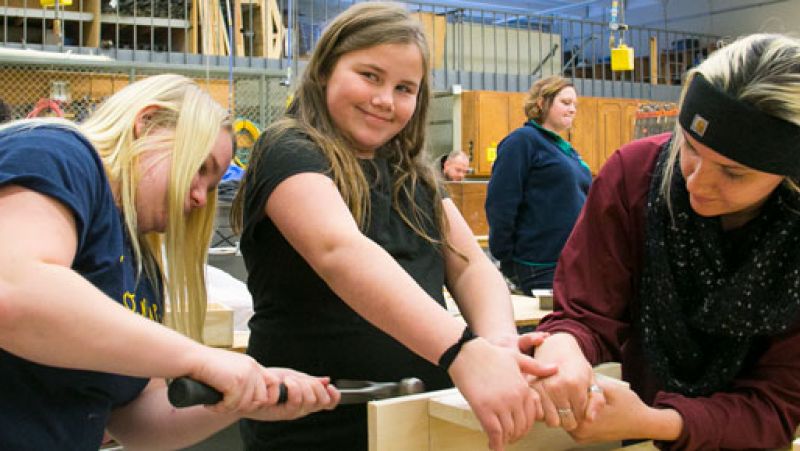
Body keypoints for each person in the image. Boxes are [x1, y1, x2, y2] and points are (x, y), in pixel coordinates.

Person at [232, 3, 556, 450]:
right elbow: (339, 252)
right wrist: (461, 350)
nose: (385, 99)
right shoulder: (288, 147)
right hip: (317, 427)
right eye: (370, 76)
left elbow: (469, 267)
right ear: (325, 70)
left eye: (405, 88)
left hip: (417, 419)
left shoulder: (415, 173)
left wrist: (497, 344)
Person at [0, 74, 338, 450]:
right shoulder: (56, 153)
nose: (199, 199)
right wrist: (199, 359)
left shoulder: (138, 267)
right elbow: (15, 292)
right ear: (147, 124)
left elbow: (138, 420)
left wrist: (242, 396)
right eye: (200, 168)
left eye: (211, 187)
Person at [531, 33, 800, 449]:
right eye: (690, 146)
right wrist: (562, 347)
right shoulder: (634, 174)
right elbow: (584, 312)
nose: (696, 180)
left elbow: (778, 402)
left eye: (733, 172)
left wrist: (658, 422)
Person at [485, 75, 591, 293]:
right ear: (542, 103)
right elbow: (501, 202)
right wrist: (507, 258)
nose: (572, 109)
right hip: (539, 265)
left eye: (575, 105)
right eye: (565, 102)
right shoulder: (522, 141)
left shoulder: (568, 151)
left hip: (572, 262)